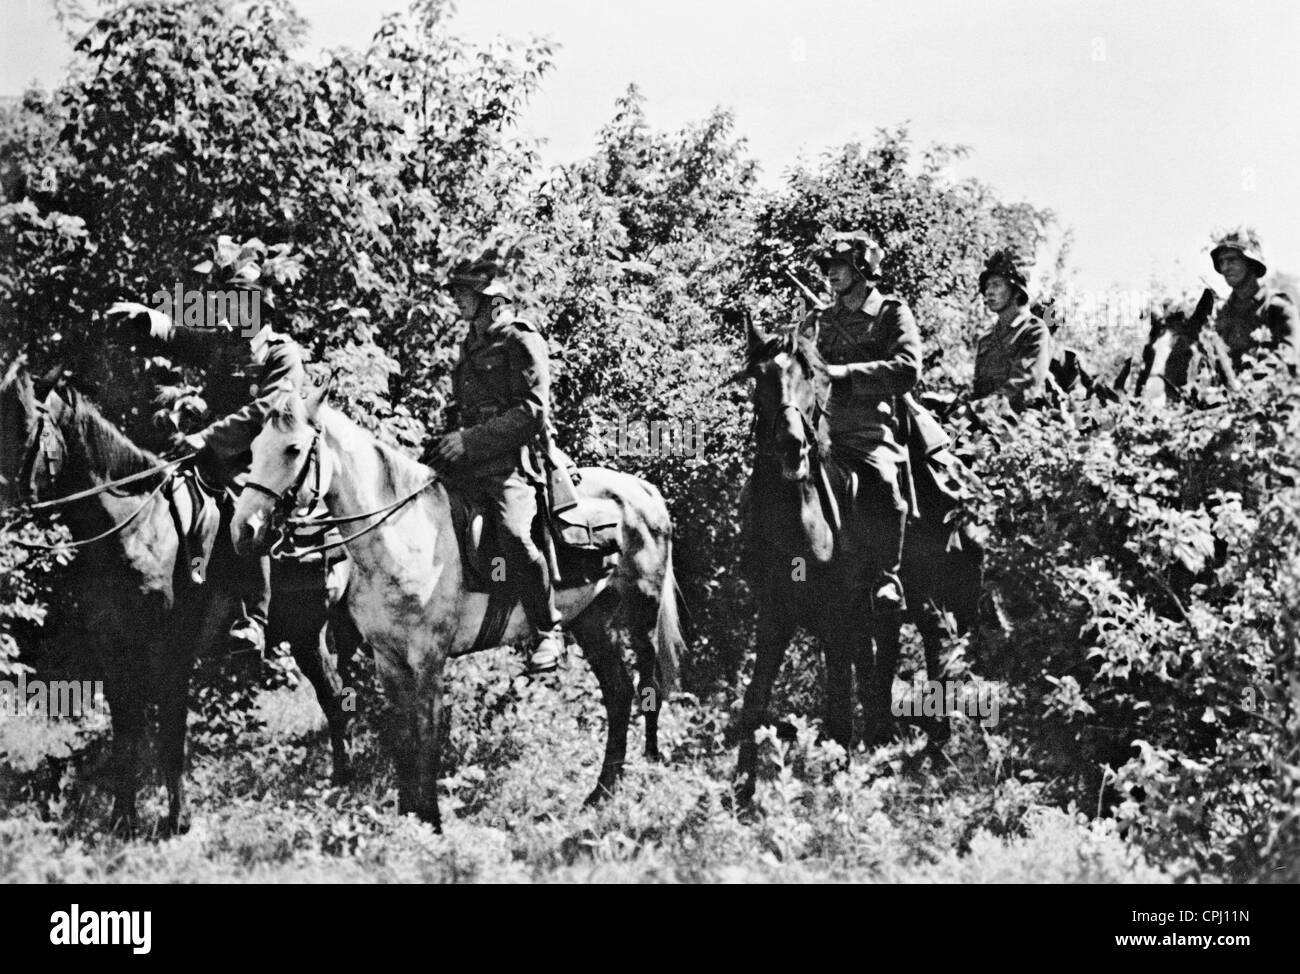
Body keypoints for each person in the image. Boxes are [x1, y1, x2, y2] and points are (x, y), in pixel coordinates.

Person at [109, 282, 304, 655]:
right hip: (210, 453)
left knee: (244, 511)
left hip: (260, 459)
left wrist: (207, 438)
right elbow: (183, 337)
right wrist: (148, 317)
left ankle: (253, 619)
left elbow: (270, 409)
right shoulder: (224, 345)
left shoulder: (282, 353)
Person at [801, 230, 921, 724]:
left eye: (841, 265)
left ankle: (887, 579)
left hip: (870, 428)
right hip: (823, 429)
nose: (831, 273)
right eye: (828, 265)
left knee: (884, 487)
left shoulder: (892, 311)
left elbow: (908, 368)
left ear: (863, 268)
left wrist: (846, 374)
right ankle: (787, 574)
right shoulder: (818, 318)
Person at [428, 256, 565, 674]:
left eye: (464, 294)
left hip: (510, 462)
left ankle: (547, 629)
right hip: (469, 460)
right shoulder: (470, 342)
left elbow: (532, 411)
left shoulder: (520, 339)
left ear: (490, 299)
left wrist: (469, 441)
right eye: (456, 293)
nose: (457, 301)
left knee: (511, 534)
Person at [1209, 228, 1298, 375]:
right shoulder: (1221, 313)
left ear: (1251, 263)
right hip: (1226, 395)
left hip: (1271, 393)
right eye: (1221, 262)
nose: (1225, 268)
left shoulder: (1277, 307)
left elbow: (1289, 358)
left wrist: (1249, 379)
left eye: (1232, 260)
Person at [972, 250, 1051, 407]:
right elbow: (978, 390)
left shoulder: (1034, 331)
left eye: (996, 284)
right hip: (982, 417)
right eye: (987, 286)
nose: (988, 291)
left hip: (1020, 421)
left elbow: (1025, 385)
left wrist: (977, 409)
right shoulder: (986, 339)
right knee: (938, 426)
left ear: (1016, 292)